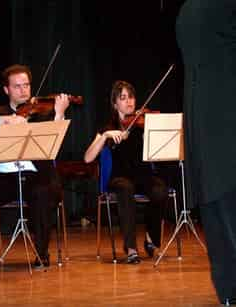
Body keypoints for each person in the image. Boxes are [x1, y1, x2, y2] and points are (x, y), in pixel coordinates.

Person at [0, 64, 69, 270]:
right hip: (5, 176)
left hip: (35, 174)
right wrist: (3, 123)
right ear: (6, 90)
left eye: (26, 85)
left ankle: (41, 254)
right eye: (17, 86)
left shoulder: (42, 113)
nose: (23, 90)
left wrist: (59, 114)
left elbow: (56, 144)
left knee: (43, 193)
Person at [176, 1, 236, 305]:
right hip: (225, 123)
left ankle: (228, 290)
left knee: (216, 212)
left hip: (202, 129)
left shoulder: (188, 10)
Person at [84, 80, 168, 264]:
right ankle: (131, 248)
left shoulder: (142, 124)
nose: (129, 102)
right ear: (115, 104)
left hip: (142, 176)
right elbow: (88, 158)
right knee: (125, 188)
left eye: (131, 97)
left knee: (160, 190)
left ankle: (151, 239)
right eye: (123, 98)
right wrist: (105, 136)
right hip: (119, 178)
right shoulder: (108, 127)